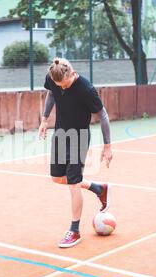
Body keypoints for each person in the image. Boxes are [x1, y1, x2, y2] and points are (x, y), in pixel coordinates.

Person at [38, 58, 113, 248]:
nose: (61, 88)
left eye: (64, 84)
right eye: (58, 85)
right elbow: (51, 94)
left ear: (71, 73)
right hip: (61, 133)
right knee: (58, 178)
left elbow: (103, 115)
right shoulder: (53, 78)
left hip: (79, 137)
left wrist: (107, 146)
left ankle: (74, 230)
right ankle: (99, 189)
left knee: (73, 184)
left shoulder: (86, 89)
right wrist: (45, 119)